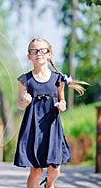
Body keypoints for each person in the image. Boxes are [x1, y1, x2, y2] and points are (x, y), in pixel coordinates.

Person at [14, 38, 88, 188]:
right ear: (29, 56)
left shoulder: (58, 79)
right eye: (34, 51)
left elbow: (63, 101)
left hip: (52, 127)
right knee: (36, 169)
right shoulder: (24, 79)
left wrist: (62, 105)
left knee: (55, 168)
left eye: (42, 50)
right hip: (32, 128)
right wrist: (25, 100)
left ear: (49, 54)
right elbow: (19, 105)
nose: (38, 53)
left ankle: (49, 184)